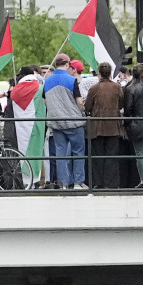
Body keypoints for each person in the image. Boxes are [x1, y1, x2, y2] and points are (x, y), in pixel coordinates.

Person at [43, 55, 87, 189]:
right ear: (67, 64)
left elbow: (45, 101)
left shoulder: (47, 81)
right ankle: (78, 182)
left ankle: (63, 183)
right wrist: (82, 112)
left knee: (60, 153)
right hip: (74, 122)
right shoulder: (72, 79)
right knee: (78, 151)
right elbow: (79, 101)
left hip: (56, 122)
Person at [85, 62, 126, 189]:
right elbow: (121, 105)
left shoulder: (94, 88)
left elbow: (87, 108)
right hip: (113, 126)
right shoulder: (117, 87)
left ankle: (99, 183)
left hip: (97, 127)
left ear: (99, 73)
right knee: (112, 157)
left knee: (98, 157)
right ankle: (112, 184)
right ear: (110, 72)